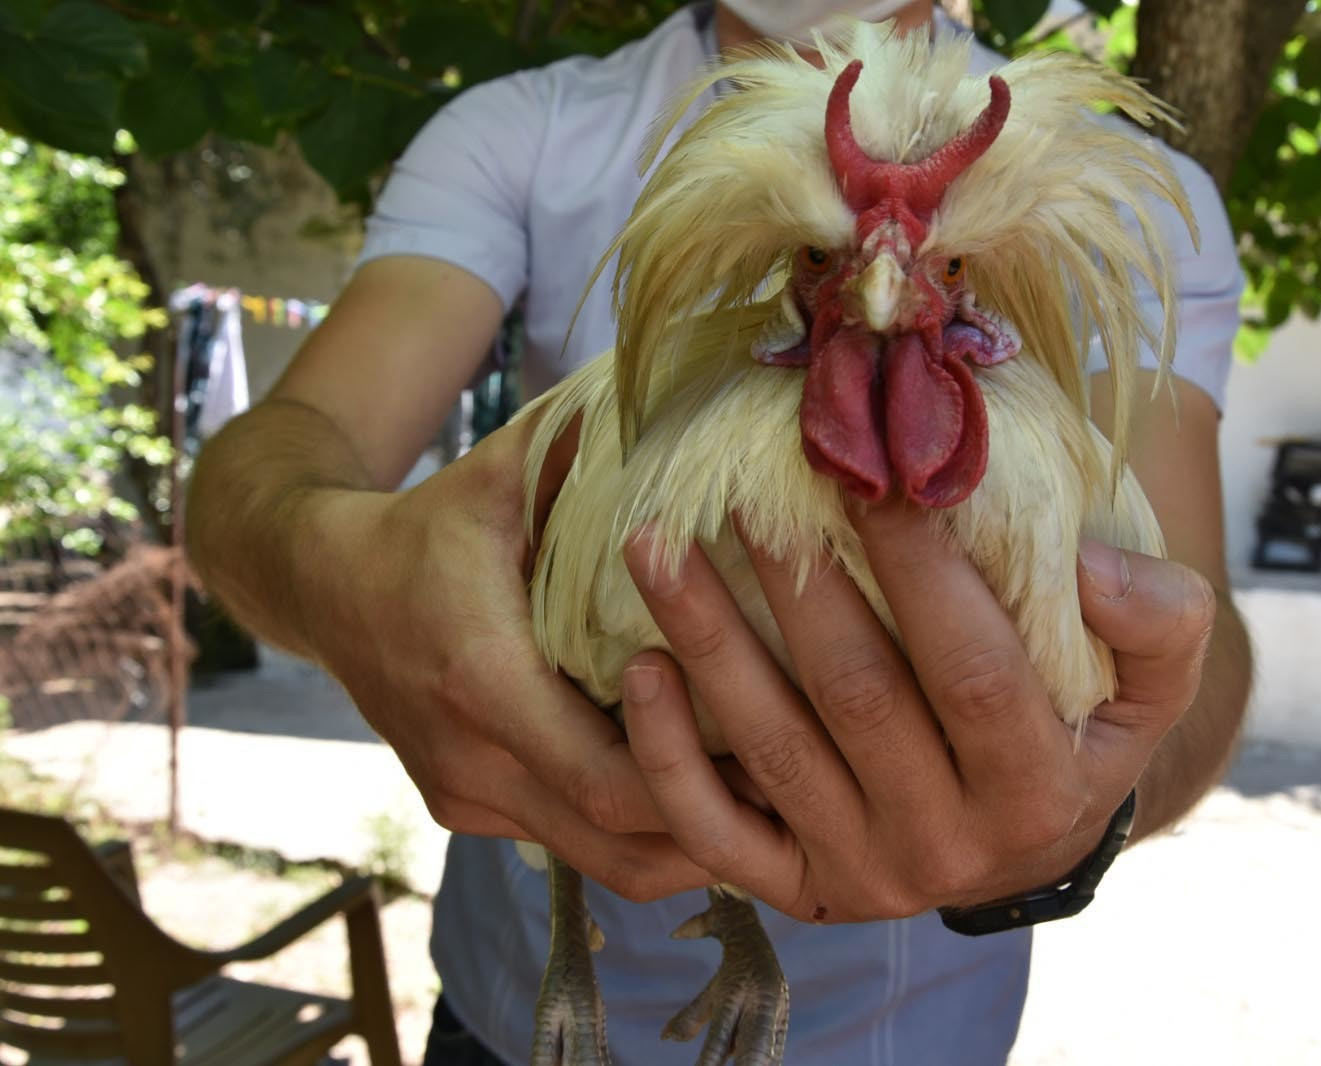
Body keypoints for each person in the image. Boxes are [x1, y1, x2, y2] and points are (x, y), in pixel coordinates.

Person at [187, 1, 1253, 1063]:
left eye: (953, 271)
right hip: (517, 1014)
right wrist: (336, 570)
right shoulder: (525, 129)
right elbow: (280, 452)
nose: (883, 287)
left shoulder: (1122, 190)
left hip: (905, 1035)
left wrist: (1082, 809)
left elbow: (1190, 623)